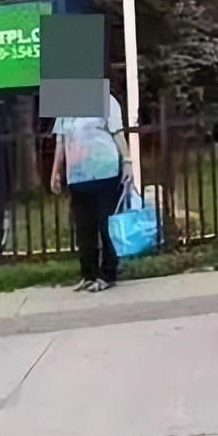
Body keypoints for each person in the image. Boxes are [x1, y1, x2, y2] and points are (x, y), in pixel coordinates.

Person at [50, 88, 133, 293]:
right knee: (84, 228)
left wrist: (128, 162)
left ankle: (108, 274)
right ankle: (88, 274)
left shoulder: (106, 99)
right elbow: (61, 142)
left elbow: (117, 133)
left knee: (106, 226)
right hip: (78, 176)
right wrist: (55, 172)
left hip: (105, 172)